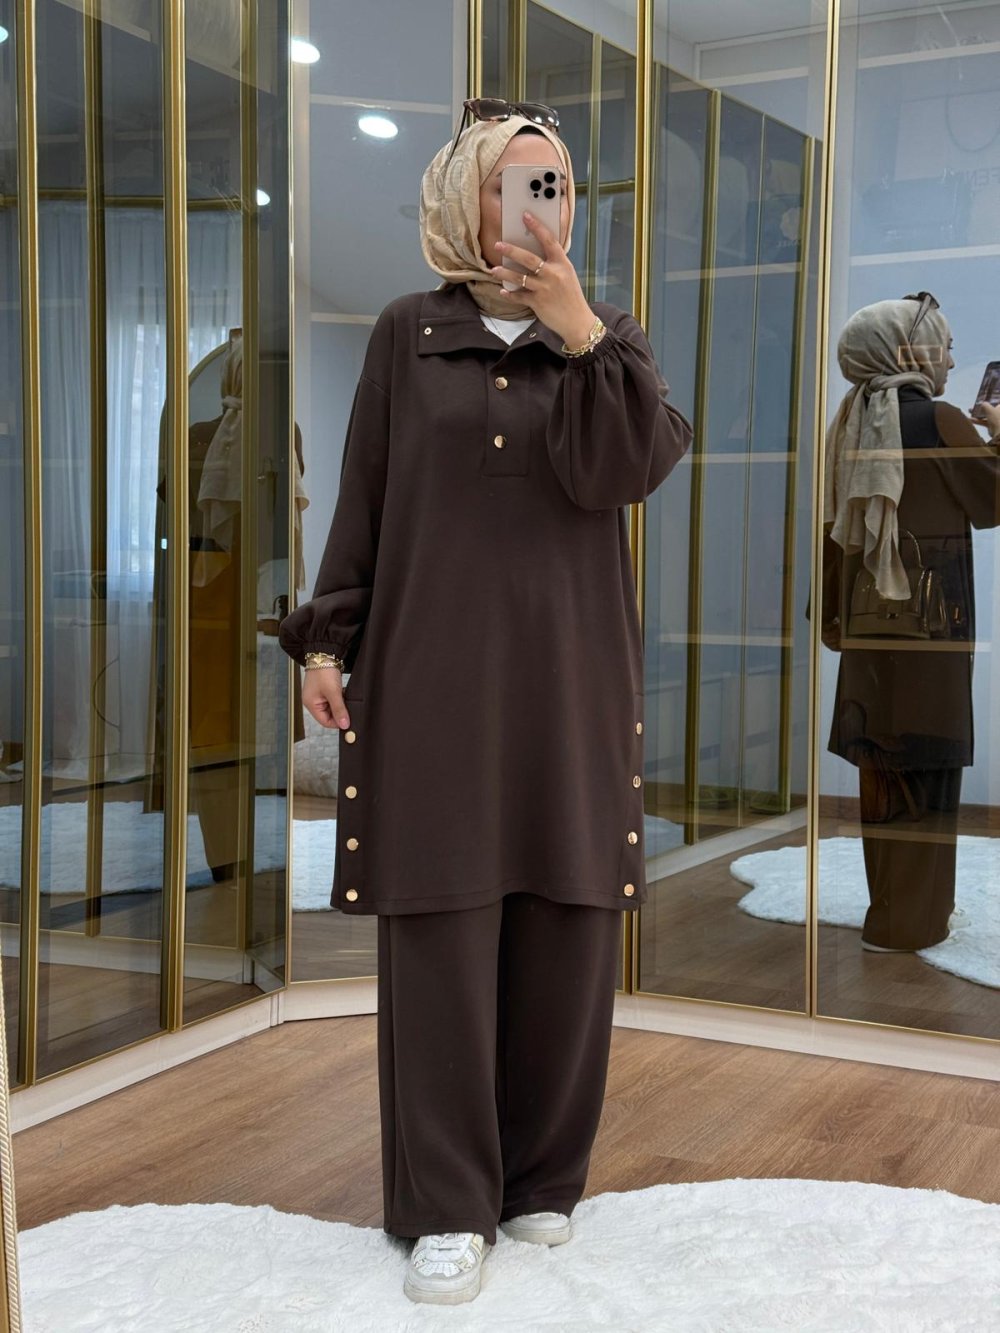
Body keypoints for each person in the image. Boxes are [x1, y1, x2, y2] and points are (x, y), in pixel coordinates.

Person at [277, 100, 692, 1305]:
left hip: (571, 677)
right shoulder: (407, 334)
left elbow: (630, 468)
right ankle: (447, 1204)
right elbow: (364, 494)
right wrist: (326, 641)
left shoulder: (608, 338)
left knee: (569, 911)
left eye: (555, 184)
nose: (538, 204)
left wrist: (579, 330)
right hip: (431, 675)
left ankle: (541, 1180)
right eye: (517, 182)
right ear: (467, 196)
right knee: (441, 926)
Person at [821, 293, 1000, 954]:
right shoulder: (938, 419)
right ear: (909, 351)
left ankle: (888, 915)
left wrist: (831, 616)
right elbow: (992, 500)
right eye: (943, 346)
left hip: (870, 632)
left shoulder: (852, 419)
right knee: (928, 770)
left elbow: (831, 528)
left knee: (885, 773)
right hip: (929, 632)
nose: (950, 358)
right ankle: (918, 922)